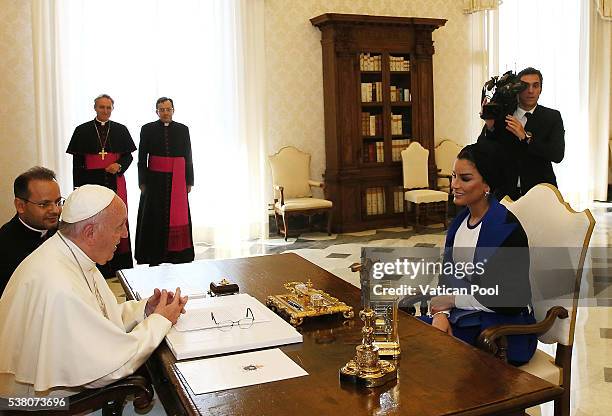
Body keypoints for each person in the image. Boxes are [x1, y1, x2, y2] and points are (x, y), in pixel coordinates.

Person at [0, 185, 188, 397]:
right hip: (41, 407)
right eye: (119, 226)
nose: (125, 234)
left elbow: (95, 318)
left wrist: (144, 310)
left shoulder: (69, 253)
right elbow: (110, 366)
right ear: (90, 232)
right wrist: (160, 321)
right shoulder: (59, 283)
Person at [421, 143, 537, 365]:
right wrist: (441, 315)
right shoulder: (459, 223)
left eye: (464, 179)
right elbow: (448, 278)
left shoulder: (507, 230)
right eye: (454, 176)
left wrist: (452, 301)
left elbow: (510, 298)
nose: (454, 184)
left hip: (502, 331)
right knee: (405, 338)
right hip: (464, 318)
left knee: (420, 353)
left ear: (486, 184)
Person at [66, 94, 137, 277]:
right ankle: (97, 265)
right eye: (101, 107)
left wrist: (119, 165)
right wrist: (78, 188)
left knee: (117, 219)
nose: (105, 111)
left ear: (112, 109)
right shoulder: (82, 130)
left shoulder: (120, 130)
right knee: (93, 222)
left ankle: (120, 267)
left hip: (115, 181)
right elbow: (78, 162)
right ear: (95, 108)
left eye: (108, 107)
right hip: (90, 182)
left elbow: (128, 156)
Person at [478, 67, 565, 200]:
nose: (530, 91)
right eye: (525, 86)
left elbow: (557, 154)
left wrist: (526, 137)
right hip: (505, 191)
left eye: (535, 86)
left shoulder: (552, 117)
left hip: (540, 190)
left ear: (540, 89)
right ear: (516, 89)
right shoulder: (503, 115)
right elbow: (484, 149)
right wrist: (490, 126)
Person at [136, 97, 194, 265]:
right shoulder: (147, 129)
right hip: (154, 180)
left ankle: (177, 255)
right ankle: (154, 255)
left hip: (177, 179)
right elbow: (142, 158)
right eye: (162, 110)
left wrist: (188, 180)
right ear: (157, 111)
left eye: (168, 109)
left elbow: (188, 156)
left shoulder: (183, 129)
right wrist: (142, 181)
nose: (165, 112)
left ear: (173, 110)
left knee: (176, 216)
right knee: (154, 216)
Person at [0, 167, 62, 296]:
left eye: (58, 202)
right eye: (44, 204)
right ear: (20, 206)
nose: (55, 210)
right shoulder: (4, 244)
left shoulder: (65, 232)